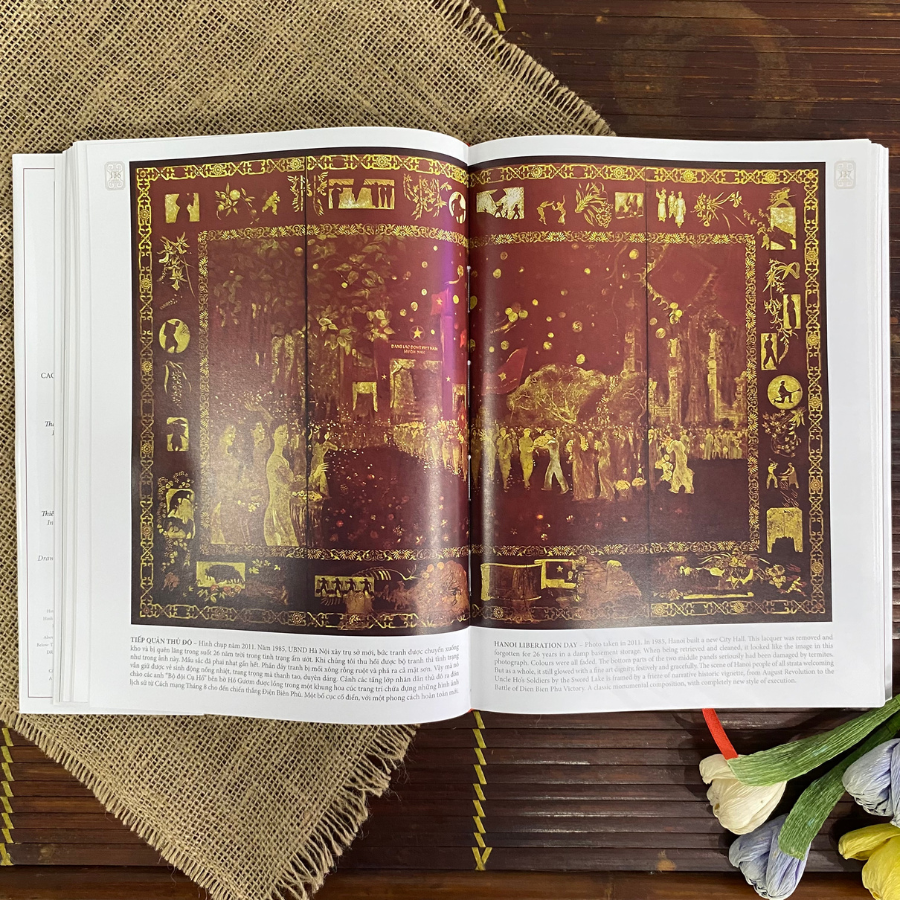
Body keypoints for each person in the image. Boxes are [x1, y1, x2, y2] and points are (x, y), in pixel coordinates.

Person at [264, 424, 303, 546]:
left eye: (286, 433)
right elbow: (289, 486)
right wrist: (313, 476)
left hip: (284, 511)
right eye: (281, 433)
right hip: (276, 513)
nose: (285, 436)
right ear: (273, 436)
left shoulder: (283, 460)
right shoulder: (275, 461)